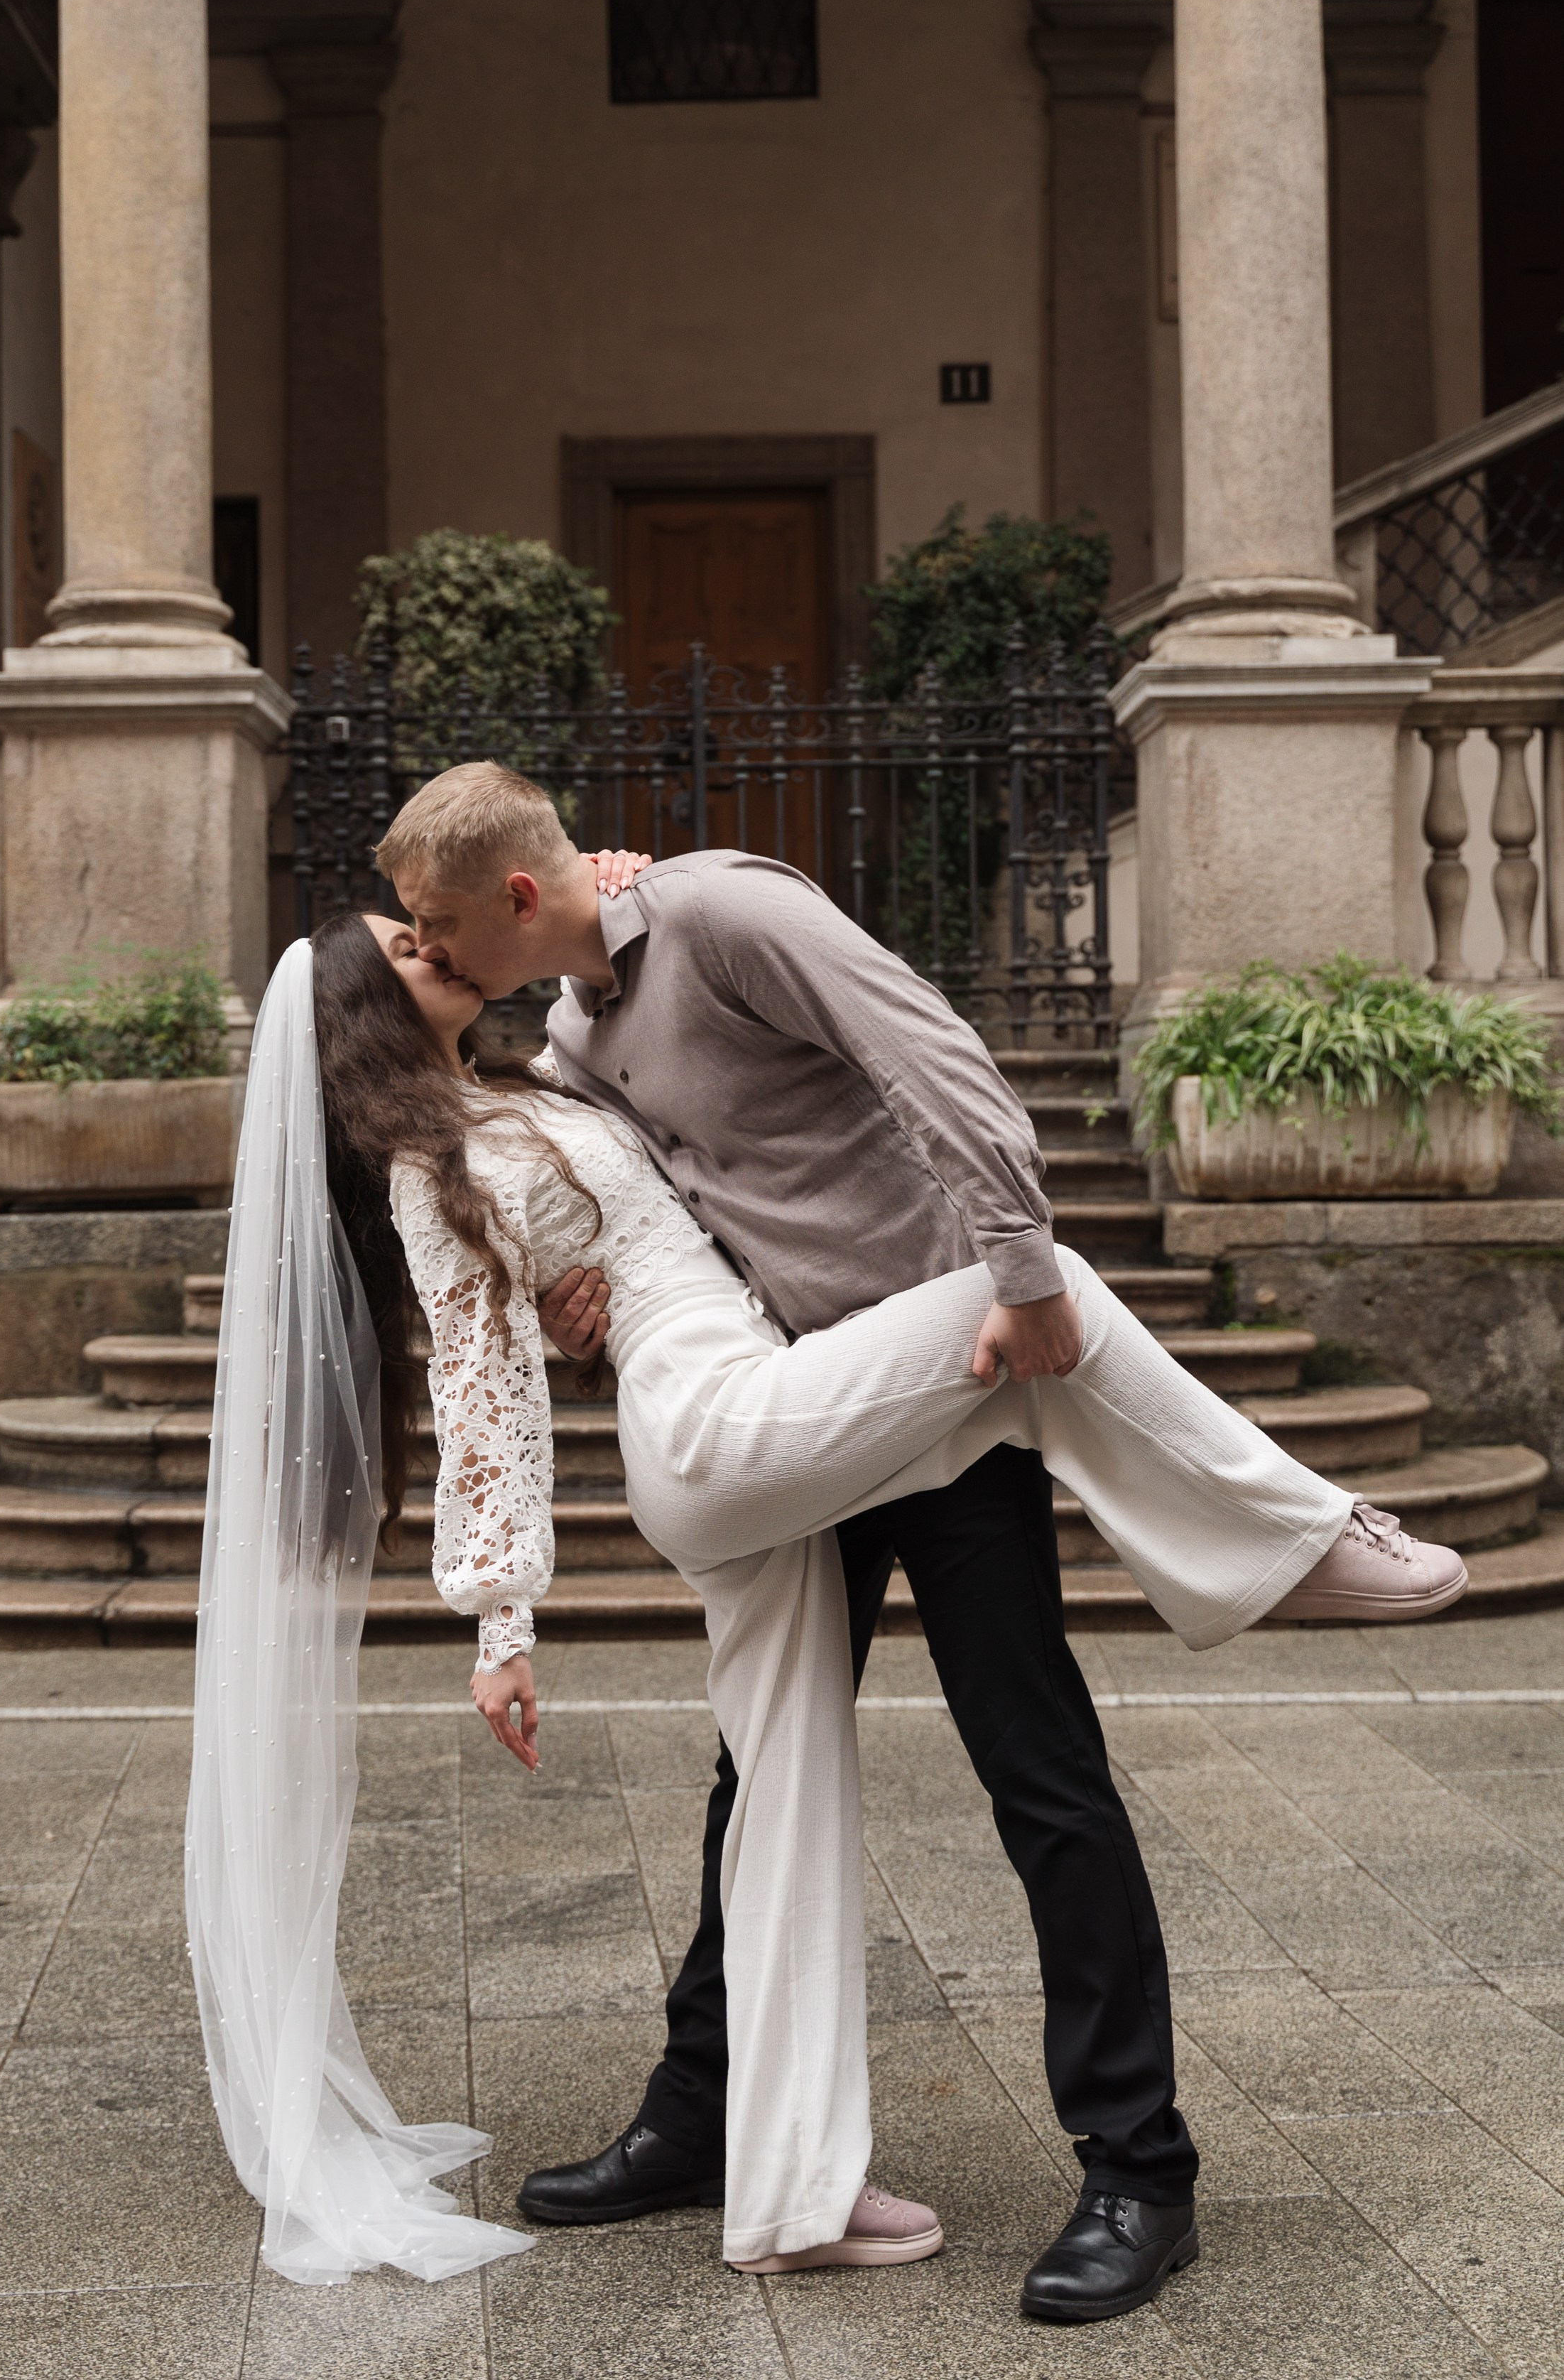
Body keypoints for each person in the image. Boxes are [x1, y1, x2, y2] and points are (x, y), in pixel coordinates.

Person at [372, 760, 1465, 2324]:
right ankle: (700, 2117)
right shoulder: (572, 1038)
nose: (430, 945)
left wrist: (1018, 1262)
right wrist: (574, 1287)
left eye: (435, 922)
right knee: (755, 1783)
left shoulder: (732, 912)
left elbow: (931, 1053)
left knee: (1036, 1766)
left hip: (946, 1400)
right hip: (788, 1403)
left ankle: (1139, 2169)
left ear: (518, 898)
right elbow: (641, 1201)